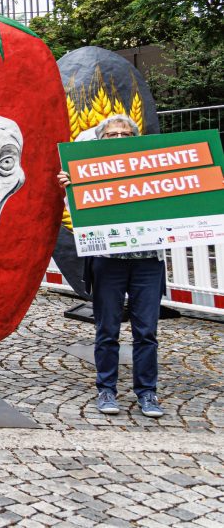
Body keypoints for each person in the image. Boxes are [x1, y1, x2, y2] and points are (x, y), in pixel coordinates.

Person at [57, 114, 165, 418]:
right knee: (107, 330)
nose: (119, 140)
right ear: (100, 141)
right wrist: (71, 188)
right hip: (108, 263)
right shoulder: (88, 173)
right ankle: (106, 390)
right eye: (112, 135)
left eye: (126, 135)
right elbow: (78, 215)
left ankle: (147, 393)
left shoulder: (154, 171)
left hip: (147, 263)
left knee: (147, 332)